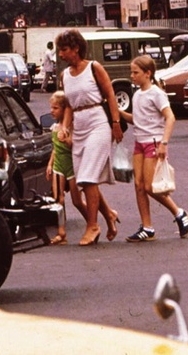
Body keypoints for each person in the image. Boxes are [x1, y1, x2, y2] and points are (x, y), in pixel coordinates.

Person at [55, 29, 121, 246]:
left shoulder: (94, 67)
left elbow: (110, 94)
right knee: (84, 179)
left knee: (88, 177)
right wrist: (65, 127)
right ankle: (109, 215)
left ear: (76, 48)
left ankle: (92, 226)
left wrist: (115, 123)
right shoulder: (65, 75)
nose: (61, 54)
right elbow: (69, 106)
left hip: (97, 123)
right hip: (80, 126)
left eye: (64, 49)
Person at [119, 55, 188, 242]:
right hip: (139, 142)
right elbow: (137, 120)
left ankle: (179, 212)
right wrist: (118, 112)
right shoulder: (137, 95)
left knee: (150, 186)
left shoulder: (156, 93)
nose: (132, 76)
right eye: (131, 72)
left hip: (154, 142)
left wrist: (164, 143)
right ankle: (147, 227)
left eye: (135, 72)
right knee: (138, 186)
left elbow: (170, 117)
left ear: (147, 73)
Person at [45, 91, 88, 245]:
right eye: (51, 108)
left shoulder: (71, 127)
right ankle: (61, 232)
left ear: (64, 109)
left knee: (77, 201)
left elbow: (74, 147)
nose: (52, 111)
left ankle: (91, 222)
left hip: (71, 165)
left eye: (56, 108)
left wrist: (67, 139)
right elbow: (55, 149)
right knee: (59, 199)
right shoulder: (55, 127)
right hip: (59, 165)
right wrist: (50, 164)